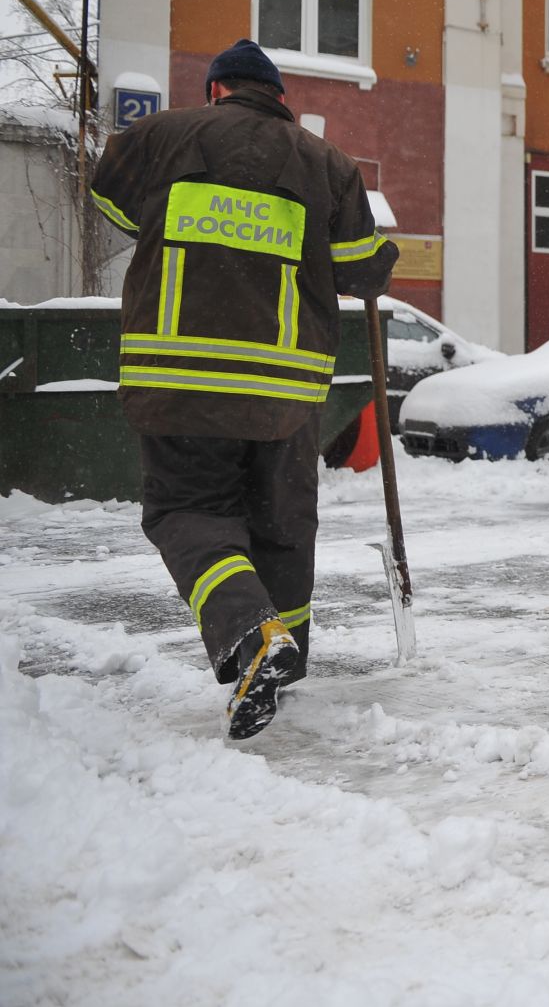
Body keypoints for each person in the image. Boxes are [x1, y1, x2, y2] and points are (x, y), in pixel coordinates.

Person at [89, 39, 399, 739]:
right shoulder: (326, 165)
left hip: (179, 377)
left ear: (214, 91)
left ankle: (251, 632)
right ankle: (284, 665)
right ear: (279, 98)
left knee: (188, 510)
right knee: (281, 524)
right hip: (282, 390)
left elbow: (108, 196)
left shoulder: (164, 136)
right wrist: (376, 258)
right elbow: (360, 270)